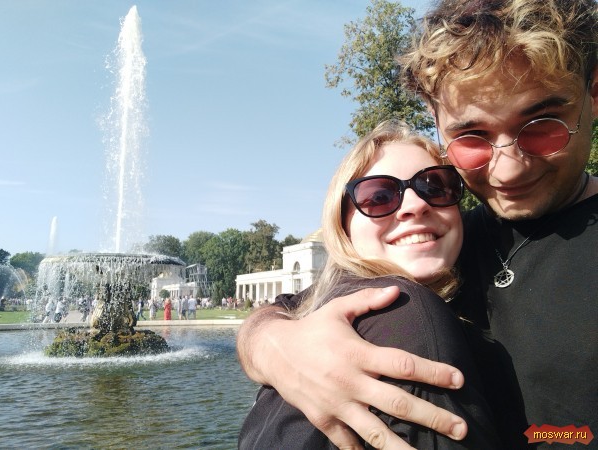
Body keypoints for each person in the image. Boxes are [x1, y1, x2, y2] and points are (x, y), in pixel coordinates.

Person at [236, 0, 598, 448]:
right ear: (437, 121)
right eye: (472, 137)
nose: (507, 171)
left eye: (542, 126)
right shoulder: (439, 245)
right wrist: (277, 347)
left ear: (593, 93)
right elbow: (283, 309)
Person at [239, 120, 500, 449]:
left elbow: (280, 307)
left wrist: (266, 341)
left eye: (436, 187)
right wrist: (269, 343)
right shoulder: (407, 311)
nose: (416, 205)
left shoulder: (325, 301)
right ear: (343, 224)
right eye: (379, 196)